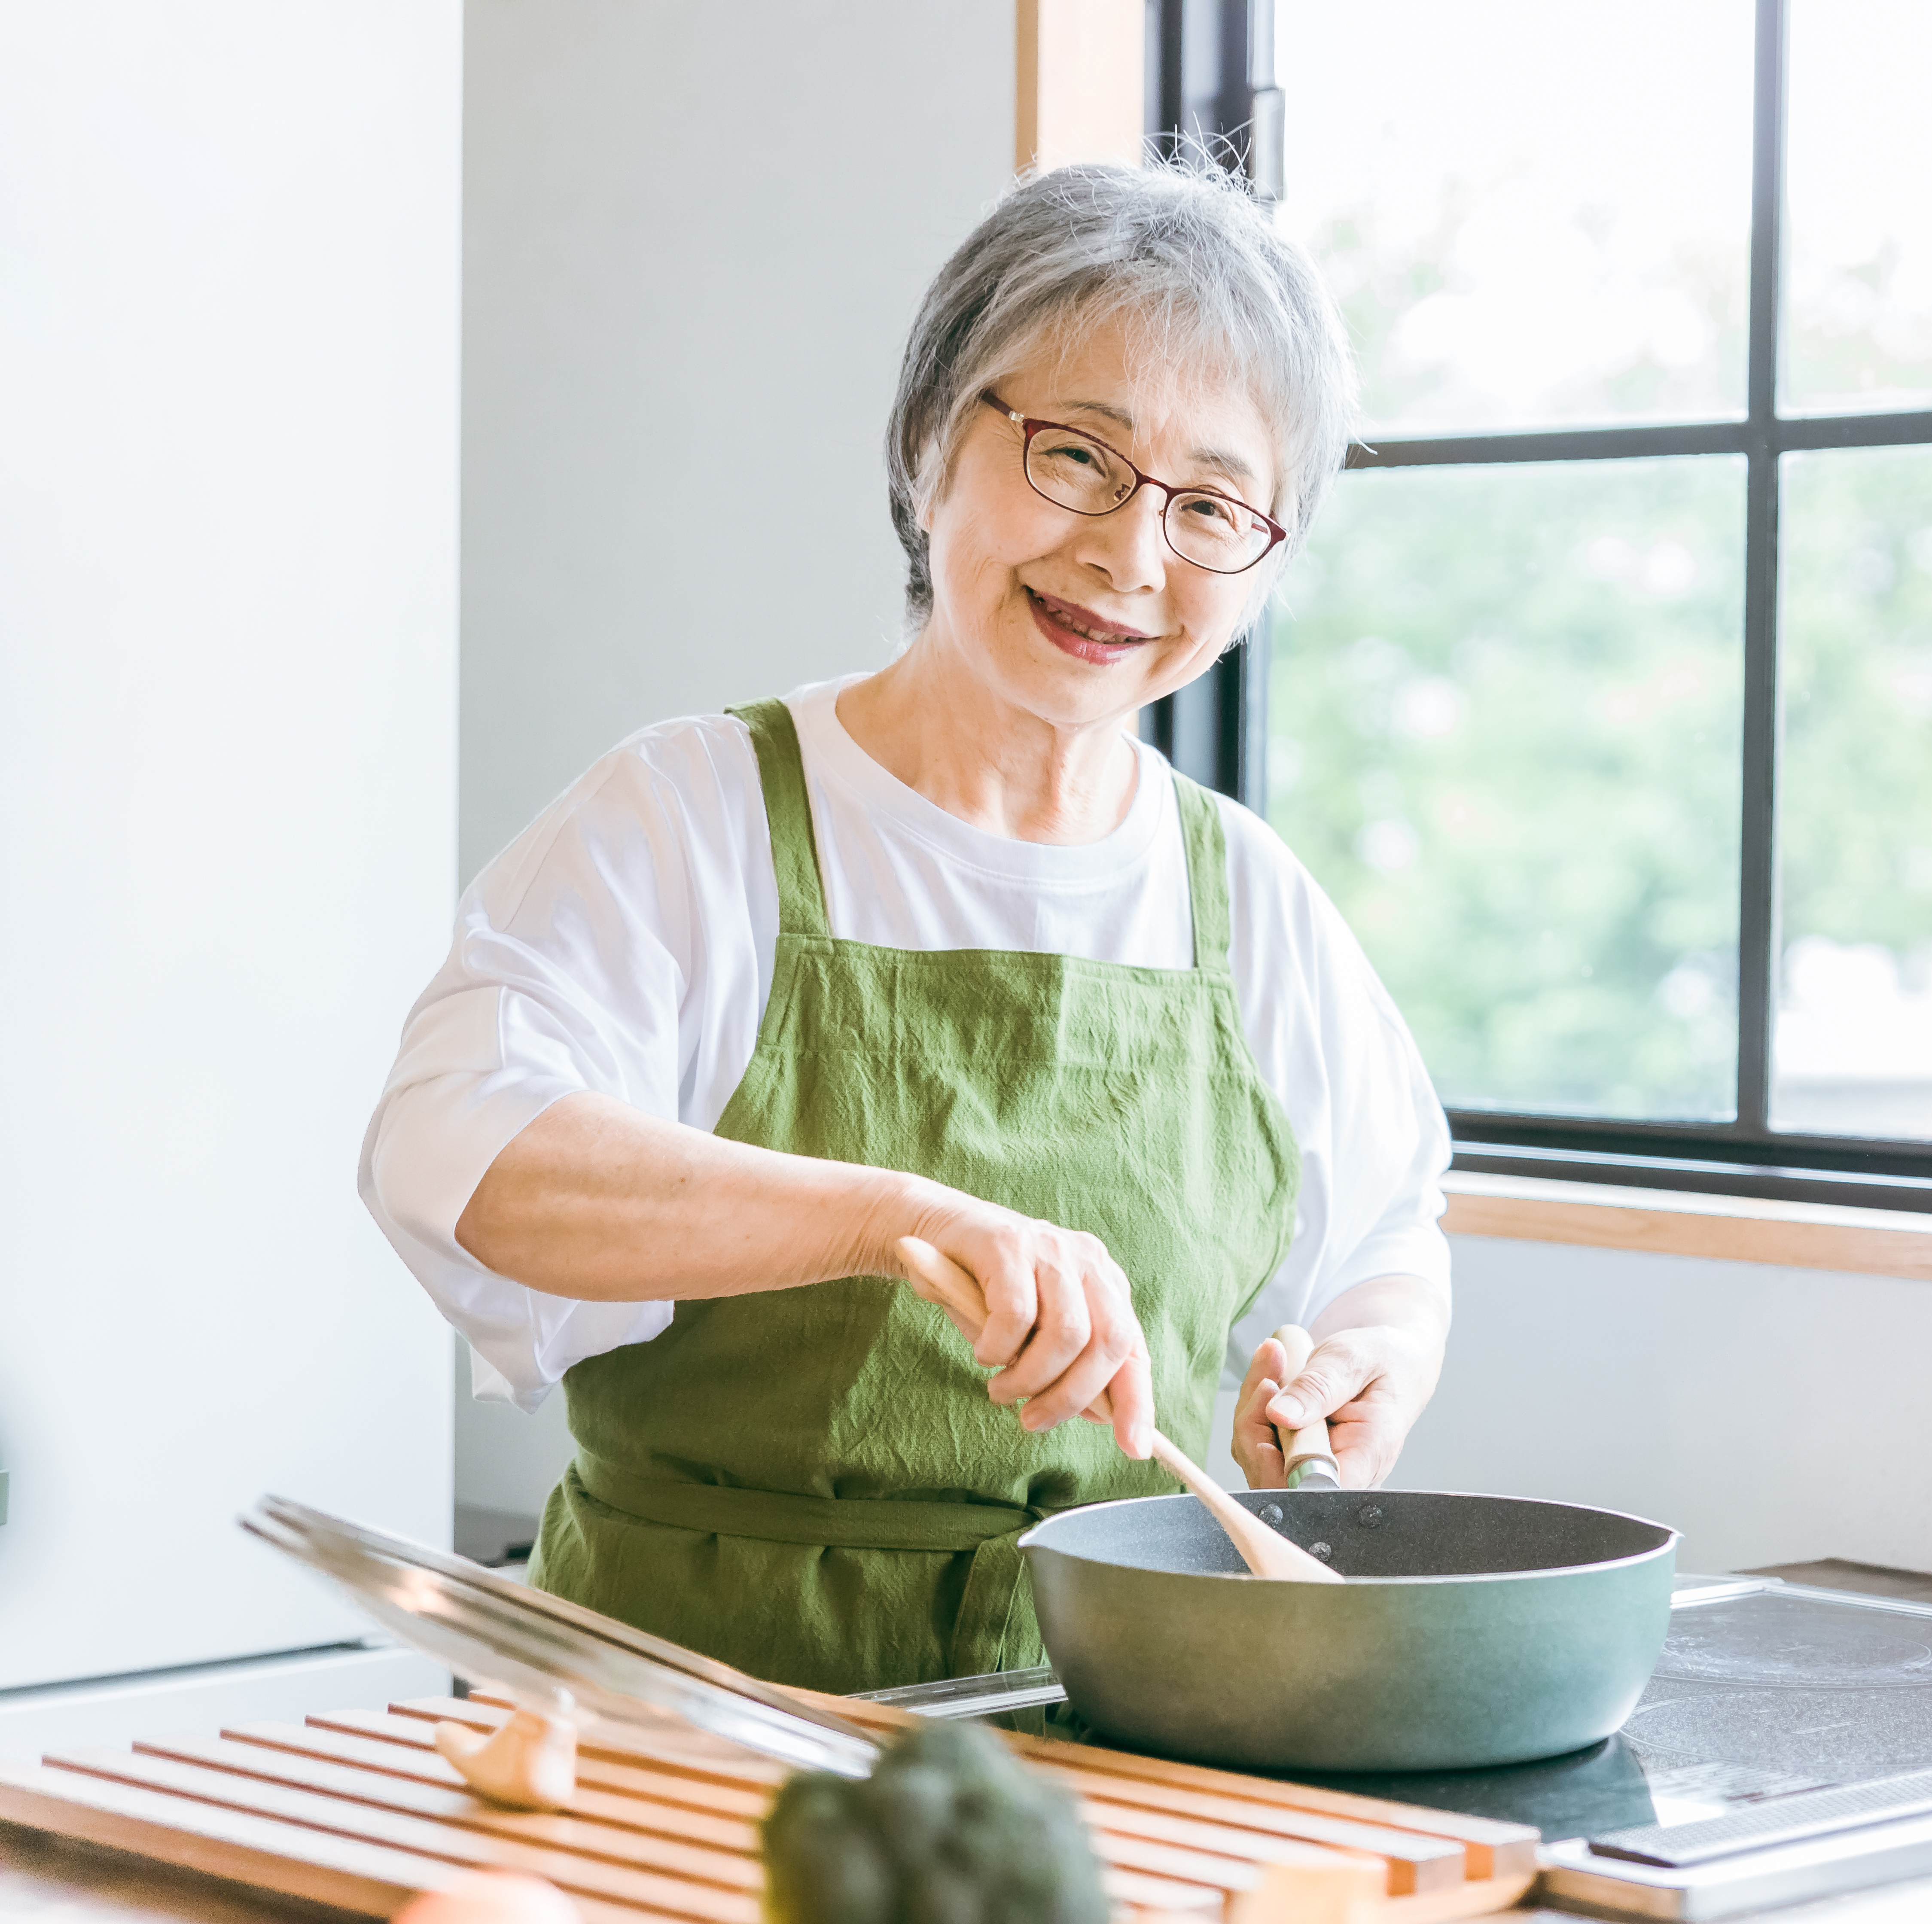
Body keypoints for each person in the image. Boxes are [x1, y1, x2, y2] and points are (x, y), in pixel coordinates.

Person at [359, 161, 1450, 1695]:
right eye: (1078, 457)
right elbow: (457, 1155)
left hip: (1113, 1718)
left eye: (1211, 507)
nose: (1132, 558)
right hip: (684, 1725)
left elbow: (1386, 1239)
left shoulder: (1252, 902)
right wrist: (897, 1216)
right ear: (933, 441)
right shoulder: (695, 813)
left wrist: (1360, 1372)